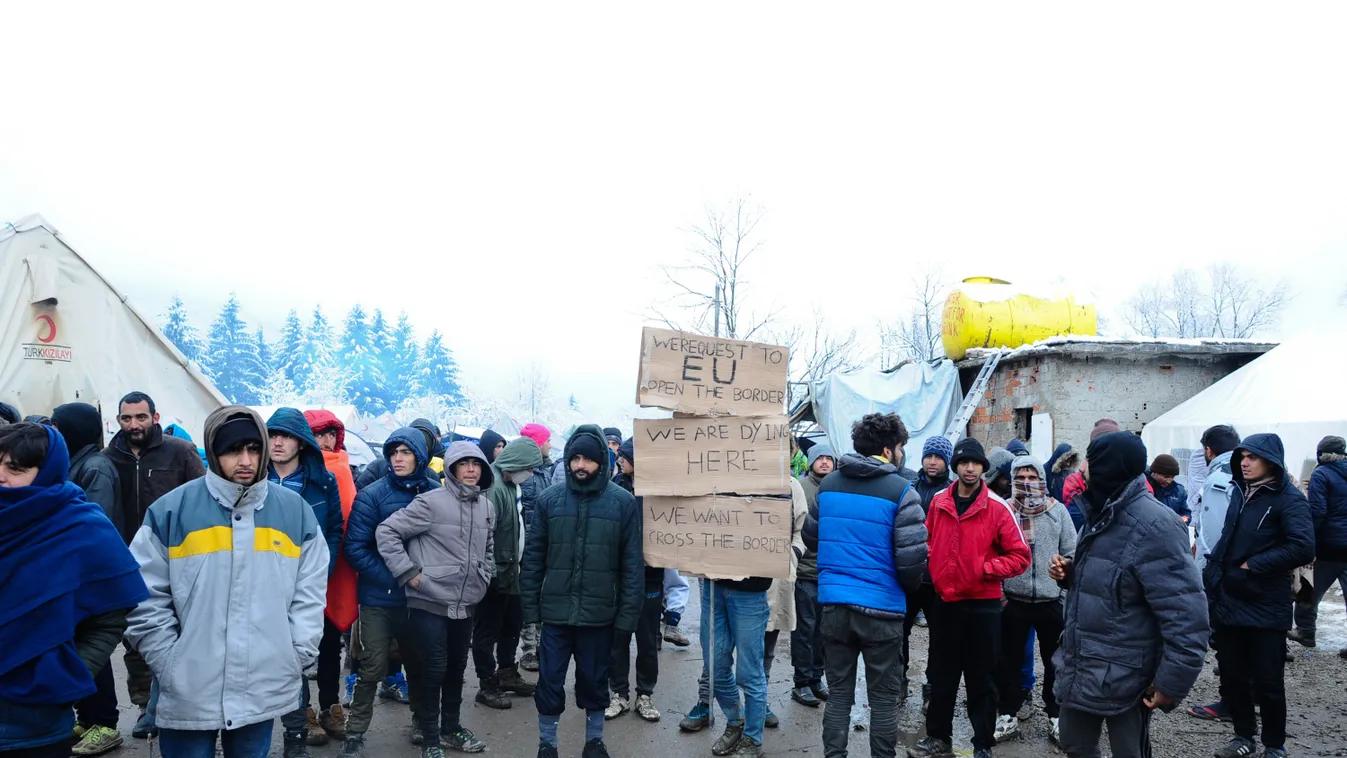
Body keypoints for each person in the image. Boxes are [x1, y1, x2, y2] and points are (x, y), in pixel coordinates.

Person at [125, 406, 329, 758]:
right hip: (188, 683)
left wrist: (296, 653)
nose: (246, 460)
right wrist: (166, 658)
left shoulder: (295, 513)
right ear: (214, 452)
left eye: (254, 449)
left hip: (261, 680)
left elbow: (309, 593)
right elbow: (142, 593)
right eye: (234, 450)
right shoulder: (171, 510)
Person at [1051, 431, 1209, 758]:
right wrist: (1072, 574)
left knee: (1129, 753)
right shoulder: (1098, 512)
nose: (1083, 471)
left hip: (1127, 677)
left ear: (1111, 468)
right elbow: (1115, 578)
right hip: (1081, 663)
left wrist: (1171, 682)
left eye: (1090, 463)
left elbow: (1186, 616)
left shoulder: (1156, 525)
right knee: (1075, 745)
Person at [0, 423, 149, 758]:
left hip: (36, 720)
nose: (1, 476)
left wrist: (68, 677)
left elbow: (109, 620)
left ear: (47, 471)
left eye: (15, 468)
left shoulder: (80, 528)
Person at [803, 413, 928, 758]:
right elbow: (912, 563)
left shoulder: (827, 487)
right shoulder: (903, 492)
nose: (903, 454)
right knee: (884, 700)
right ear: (888, 450)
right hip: (883, 612)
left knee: (839, 695)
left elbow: (811, 538)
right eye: (901, 447)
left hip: (835, 608)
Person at [521, 425, 643, 758]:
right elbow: (532, 560)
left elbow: (633, 567)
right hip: (556, 615)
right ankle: (547, 744)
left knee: (593, 680)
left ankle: (594, 741)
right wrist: (530, 613)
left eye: (588, 459)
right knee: (549, 682)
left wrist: (627, 618)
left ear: (602, 462)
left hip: (600, 615)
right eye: (575, 457)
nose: (581, 465)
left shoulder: (623, 504)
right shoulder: (549, 501)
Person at [909, 438, 1031, 758]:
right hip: (946, 603)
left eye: (976, 463)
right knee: (942, 674)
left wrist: (985, 568)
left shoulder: (996, 507)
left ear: (982, 469)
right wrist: (936, 566)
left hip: (983, 606)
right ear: (957, 467)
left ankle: (982, 744)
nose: (970, 468)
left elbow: (1020, 556)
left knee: (982, 678)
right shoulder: (939, 501)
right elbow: (928, 540)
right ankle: (938, 738)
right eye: (964, 463)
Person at [377, 442, 495, 756]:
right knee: (433, 669)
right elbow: (387, 532)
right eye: (464, 463)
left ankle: (451, 728)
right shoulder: (430, 503)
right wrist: (409, 574)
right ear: (453, 468)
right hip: (429, 601)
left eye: (477, 464)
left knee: (457, 668)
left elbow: (489, 548)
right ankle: (430, 737)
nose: (471, 469)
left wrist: (484, 575)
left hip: (466, 602)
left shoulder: (486, 506)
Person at [102, 390, 207, 737]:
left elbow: (202, 499)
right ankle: (146, 703)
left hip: (173, 559)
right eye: (127, 418)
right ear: (118, 421)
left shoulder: (180, 452)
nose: (134, 424)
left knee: (173, 632)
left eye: (141, 417)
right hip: (123, 559)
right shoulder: (108, 458)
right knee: (134, 637)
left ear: (155, 417)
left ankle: (169, 704)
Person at [1203, 434, 1314, 758]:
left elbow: (1303, 546)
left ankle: (1274, 745)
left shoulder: (1289, 499)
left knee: (1268, 681)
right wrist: (1215, 575)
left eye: (1253, 457)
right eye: (1243, 456)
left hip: (1267, 602)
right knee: (1233, 674)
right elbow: (1228, 538)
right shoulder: (1240, 493)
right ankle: (1243, 736)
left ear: (1272, 461)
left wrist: (1254, 565)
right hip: (1231, 597)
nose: (1245, 462)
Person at [340, 428, 442, 756]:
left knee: (420, 665)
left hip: (422, 599)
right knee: (371, 666)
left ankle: (424, 728)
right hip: (379, 597)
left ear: (419, 457)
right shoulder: (372, 495)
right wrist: (397, 576)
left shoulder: (436, 493)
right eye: (393, 452)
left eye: (405, 452)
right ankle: (354, 734)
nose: (398, 459)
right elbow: (355, 547)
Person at [50, 403, 128, 757]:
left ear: (74, 429)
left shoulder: (94, 466)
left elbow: (96, 522)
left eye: (58, 423)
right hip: (78, 573)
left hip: (90, 574)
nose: (52, 428)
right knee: (80, 643)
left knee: (94, 649)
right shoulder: (77, 461)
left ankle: (106, 725)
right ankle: (90, 717)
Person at [266, 409, 345, 757]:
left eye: (286, 435)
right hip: (265, 585)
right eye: (272, 435)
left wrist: (318, 574)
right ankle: (299, 723)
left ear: (301, 442)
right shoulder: (255, 480)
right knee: (281, 659)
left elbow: (334, 529)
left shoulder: (322, 481)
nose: (278, 442)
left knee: (320, 647)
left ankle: (325, 709)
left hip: (312, 584)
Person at [992, 456, 1075, 746]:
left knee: (1056, 663)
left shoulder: (1058, 512)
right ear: (1012, 481)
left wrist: (1062, 592)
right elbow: (993, 552)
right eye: (1020, 478)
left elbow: (1071, 553)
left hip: (1051, 601)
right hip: (1013, 601)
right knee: (1008, 662)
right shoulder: (1003, 511)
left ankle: (1056, 716)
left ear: (1041, 479)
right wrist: (1001, 593)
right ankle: (1008, 715)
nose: (1026, 483)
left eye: (1032, 477)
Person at [474, 437, 545, 710]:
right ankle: (487, 683)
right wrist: (490, 574)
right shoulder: (493, 487)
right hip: (495, 574)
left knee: (511, 625)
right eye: (528, 467)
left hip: (512, 570)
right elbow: (483, 536)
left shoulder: (509, 484)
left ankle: (506, 673)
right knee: (486, 631)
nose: (530, 473)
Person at [304, 410, 360, 741]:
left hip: (335, 567)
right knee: (296, 648)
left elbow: (348, 518)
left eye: (331, 434)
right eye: (319, 434)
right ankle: (301, 711)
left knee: (328, 644)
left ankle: (329, 705)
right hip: (298, 568)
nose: (326, 441)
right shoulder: (293, 472)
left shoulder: (342, 468)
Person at [605, 438, 664, 723]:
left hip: (651, 577)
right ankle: (619, 694)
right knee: (618, 637)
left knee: (647, 639)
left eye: (625, 457)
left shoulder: (661, 492)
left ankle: (645, 695)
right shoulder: (613, 490)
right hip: (619, 578)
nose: (620, 461)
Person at [1186, 424, 1242, 724]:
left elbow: (1214, 532)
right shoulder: (1248, 472)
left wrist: (1207, 572)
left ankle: (1231, 702)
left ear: (1208, 450)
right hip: (1245, 571)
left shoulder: (1219, 479)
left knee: (1225, 638)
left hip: (1223, 573)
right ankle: (1246, 695)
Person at [904, 435, 952, 711]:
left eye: (938, 457)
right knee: (899, 632)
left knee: (940, 638)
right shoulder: (909, 487)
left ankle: (932, 688)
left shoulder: (952, 491)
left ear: (946, 461)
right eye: (929, 456)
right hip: (909, 575)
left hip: (937, 579)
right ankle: (898, 681)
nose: (933, 462)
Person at [1290, 435, 1347, 652]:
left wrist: (1307, 536)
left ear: (1320, 453)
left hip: (1329, 547)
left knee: (1309, 588)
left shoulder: (1322, 473)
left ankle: (1305, 631)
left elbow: (1318, 511)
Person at [790, 441, 835, 708]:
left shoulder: (837, 488)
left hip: (830, 572)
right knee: (804, 629)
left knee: (824, 630)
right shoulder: (801, 487)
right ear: (811, 461)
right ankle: (801, 682)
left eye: (830, 458)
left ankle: (817, 678)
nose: (825, 462)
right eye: (820, 458)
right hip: (806, 571)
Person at [517, 422, 558, 672]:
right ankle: (529, 648)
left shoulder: (545, 471)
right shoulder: (525, 474)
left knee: (544, 595)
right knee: (527, 596)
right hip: (528, 546)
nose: (550, 444)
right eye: (547, 440)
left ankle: (544, 644)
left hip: (545, 544)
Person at [356, 419, 446, 490]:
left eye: (424, 445)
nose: (398, 458)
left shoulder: (432, 477)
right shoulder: (377, 468)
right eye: (414, 444)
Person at [1147, 454, 1190, 521]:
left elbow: (1186, 513)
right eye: (1166, 477)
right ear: (1154, 473)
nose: (1169, 481)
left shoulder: (1179, 491)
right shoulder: (1144, 488)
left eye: (1172, 477)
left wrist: (1184, 520)